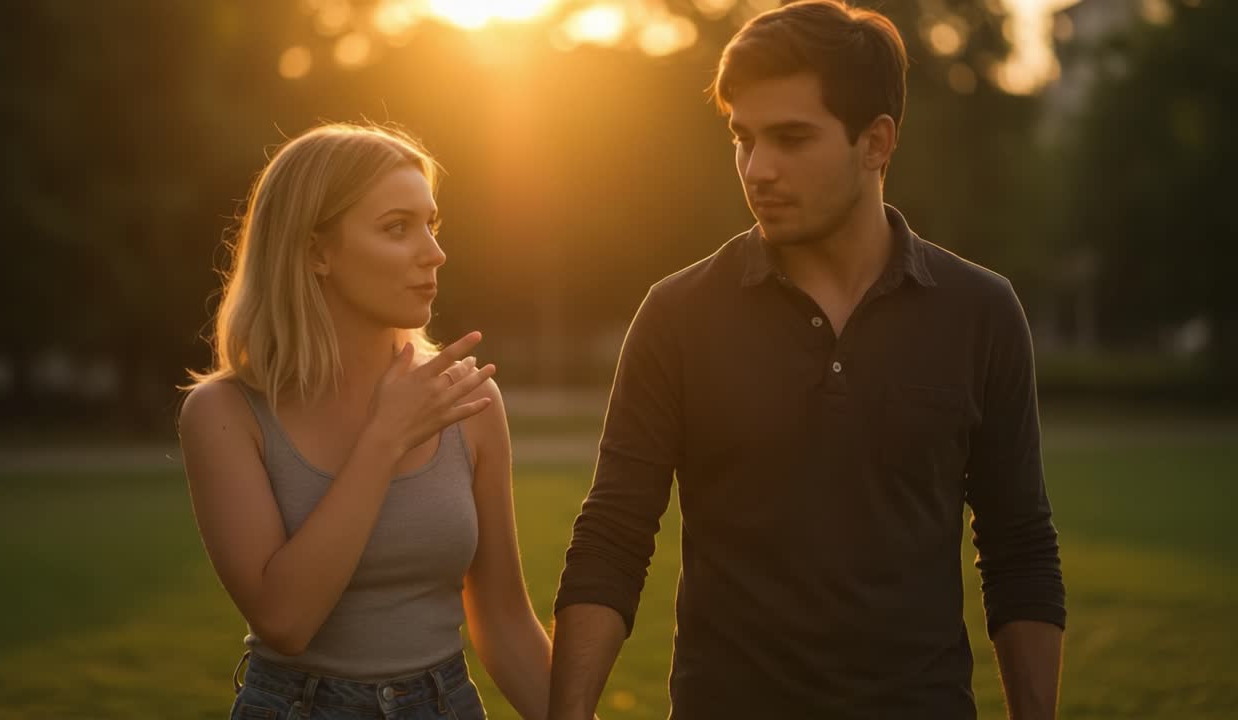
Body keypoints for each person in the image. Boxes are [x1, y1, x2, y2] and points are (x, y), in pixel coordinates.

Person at [548, 2, 1066, 718]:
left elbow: (1019, 548)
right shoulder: (676, 315)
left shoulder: (981, 312)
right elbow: (613, 534)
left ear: (876, 143)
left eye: (791, 138)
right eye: (743, 138)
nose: (758, 169)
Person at [178, 122, 552, 720]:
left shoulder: (468, 401)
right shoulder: (225, 414)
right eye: (396, 228)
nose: (435, 252)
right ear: (314, 251)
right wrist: (385, 437)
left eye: (431, 224)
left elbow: (505, 622)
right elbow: (285, 621)